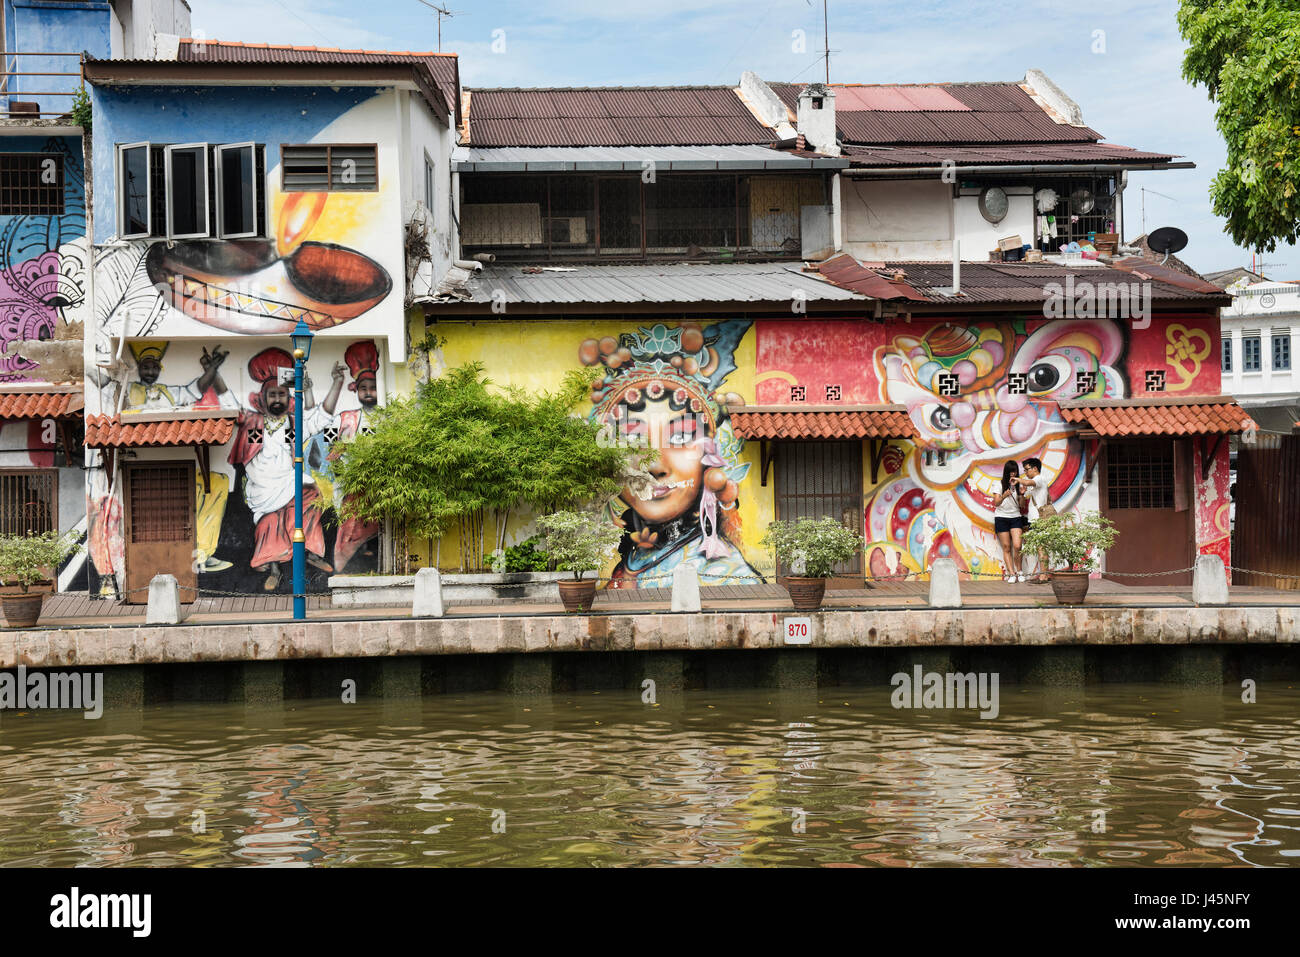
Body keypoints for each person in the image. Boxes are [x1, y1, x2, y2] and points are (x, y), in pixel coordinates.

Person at [227, 347, 333, 591]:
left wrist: (330, 384)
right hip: (263, 491)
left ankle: (308, 551)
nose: (277, 399)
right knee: (269, 523)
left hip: (289, 483)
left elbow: (319, 418)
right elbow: (252, 458)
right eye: (272, 394)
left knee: (312, 497)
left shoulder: (292, 425)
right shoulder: (255, 424)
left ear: (289, 399)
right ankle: (274, 569)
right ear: (262, 399)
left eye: (282, 394)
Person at [320, 339, 381, 572]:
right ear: (356, 390)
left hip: (378, 484)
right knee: (349, 525)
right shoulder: (345, 417)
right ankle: (344, 568)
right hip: (349, 484)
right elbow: (327, 442)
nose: (368, 392)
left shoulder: (387, 417)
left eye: (372, 387)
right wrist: (338, 462)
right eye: (364, 388)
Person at [1017, 457, 1054, 583]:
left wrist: (1017, 479)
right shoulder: (1035, 482)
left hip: (1040, 519)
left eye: (1027, 470)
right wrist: (1022, 494)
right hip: (1035, 519)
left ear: (1035, 468)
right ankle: (1044, 574)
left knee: (1041, 547)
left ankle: (1044, 576)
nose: (1026, 473)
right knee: (1041, 547)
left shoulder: (1039, 479)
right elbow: (1022, 504)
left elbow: (1027, 483)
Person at [993, 460, 1028, 583]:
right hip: (1001, 517)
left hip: (1015, 517)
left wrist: (1022, 495)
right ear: (1006, 472)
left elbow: (1022, 506)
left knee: (1018, 546)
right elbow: (996, 503)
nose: (1013, 475)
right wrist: (1004, 495)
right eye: (1010, 472)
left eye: (1015, 472)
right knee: (1007, 547)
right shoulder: (998, 484)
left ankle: (1020, 571)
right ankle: (1011, 573)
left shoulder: (1018, 484)